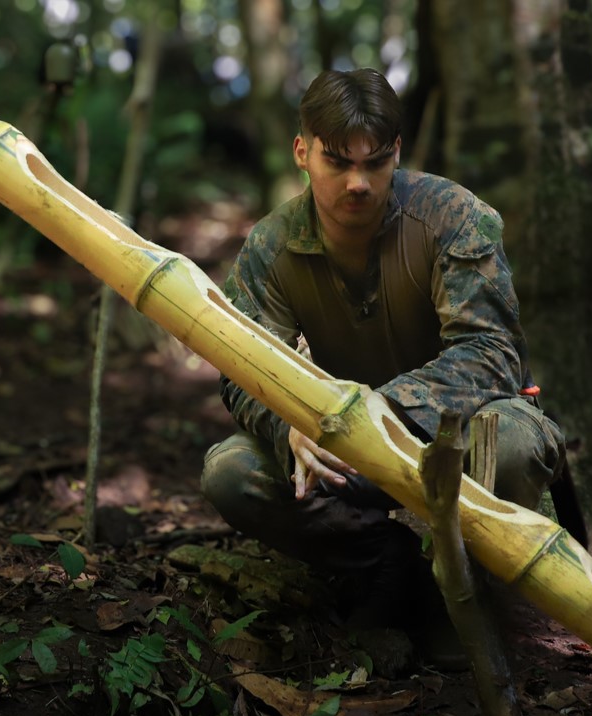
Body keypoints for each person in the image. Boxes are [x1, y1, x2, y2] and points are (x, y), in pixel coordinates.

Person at [199, 68, 566, 670]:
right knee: (231, 472)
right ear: (302, 152)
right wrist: (290, 422)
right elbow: (244, 367)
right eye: (338, 161)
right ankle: (390, 569)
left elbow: (492, 352)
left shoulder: (453, 216)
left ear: (397, 153)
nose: (358, 183)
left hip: (459, 434)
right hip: (346, 451)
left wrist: (386, 405)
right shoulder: (271, 245)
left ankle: (476, 586)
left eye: (375, 162)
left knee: (518, 444)